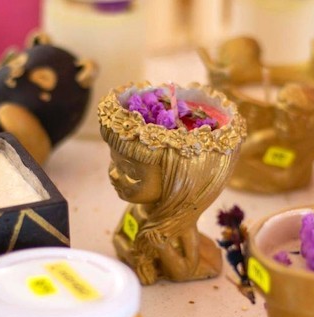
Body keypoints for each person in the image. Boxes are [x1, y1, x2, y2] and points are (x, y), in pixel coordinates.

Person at [98, 83, 245, 285]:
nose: (114, 174)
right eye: (114, 162)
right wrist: (135, 258)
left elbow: (183, 272)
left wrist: (163, 248)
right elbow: (118, 238)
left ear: (176, 183)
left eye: (131, 173)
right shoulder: (137, 210)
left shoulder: (180, 228)